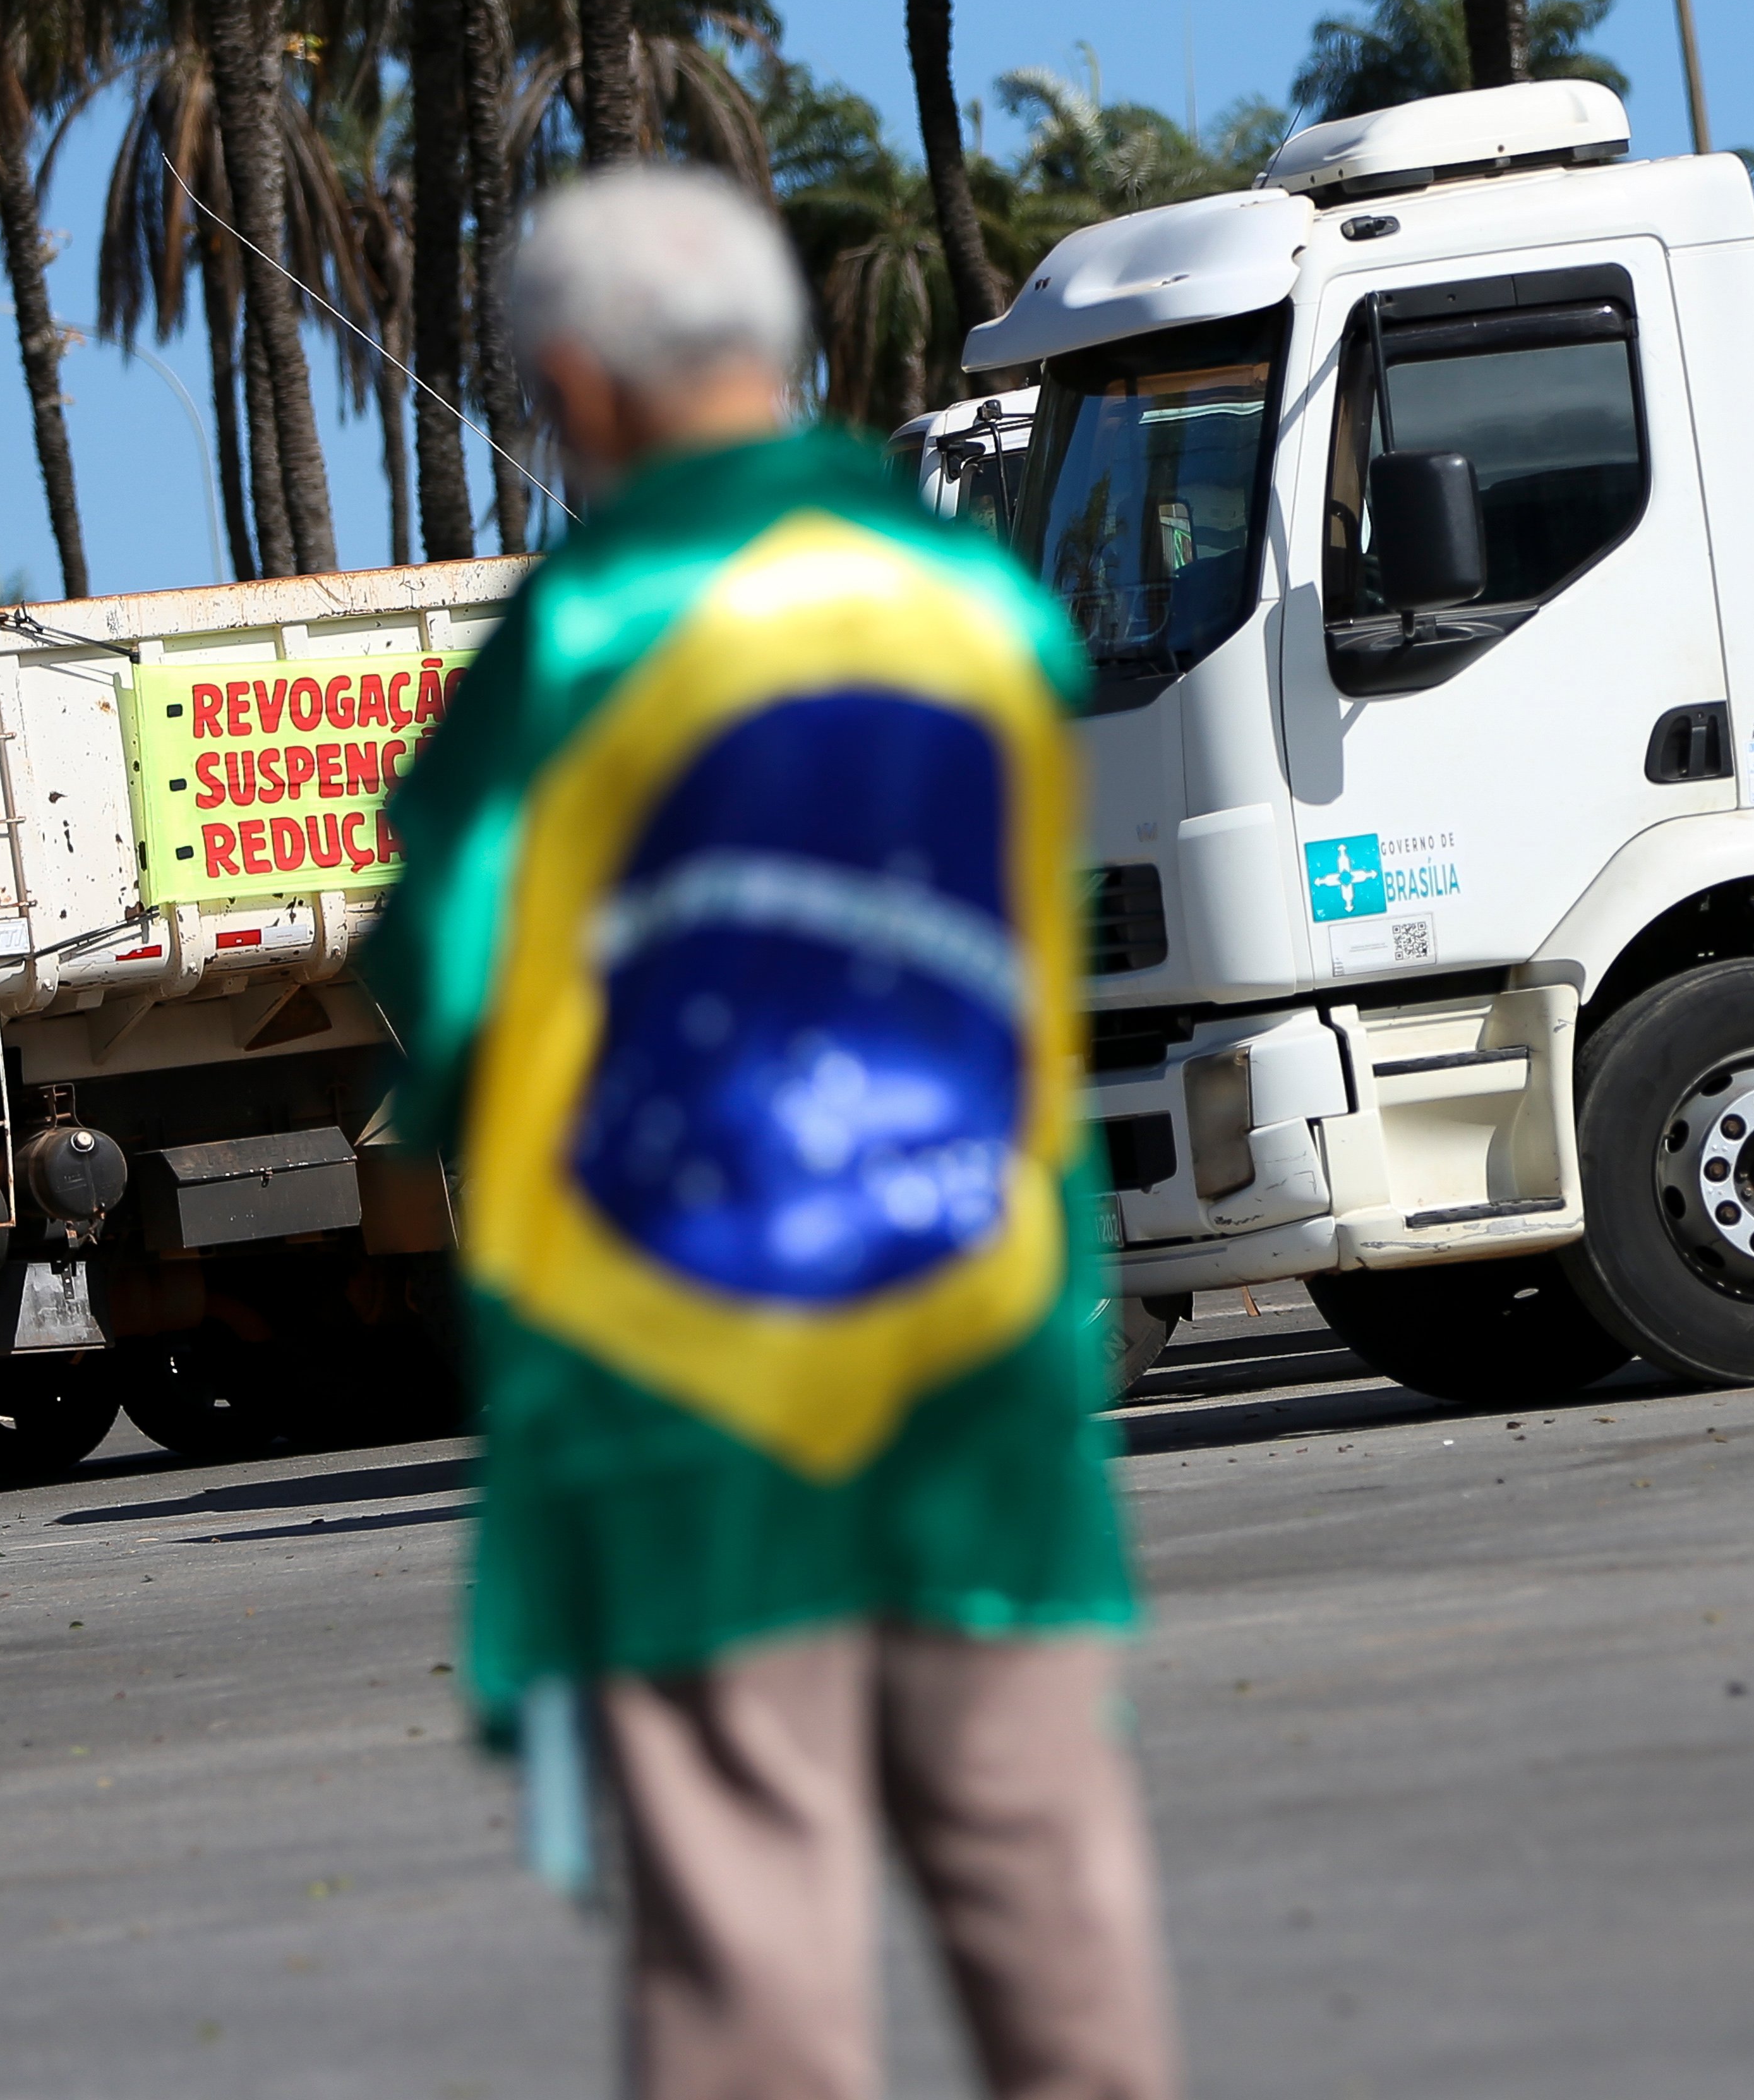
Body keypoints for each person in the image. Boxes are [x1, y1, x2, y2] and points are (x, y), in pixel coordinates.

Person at [364, 166, 1175, 2100]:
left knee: (752, 1931)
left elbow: (452, 970)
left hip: (686, 1380)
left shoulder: (584, 635)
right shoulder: (973, 599)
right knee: (1042, 1864)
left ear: (580, 381)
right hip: (976, 1338)